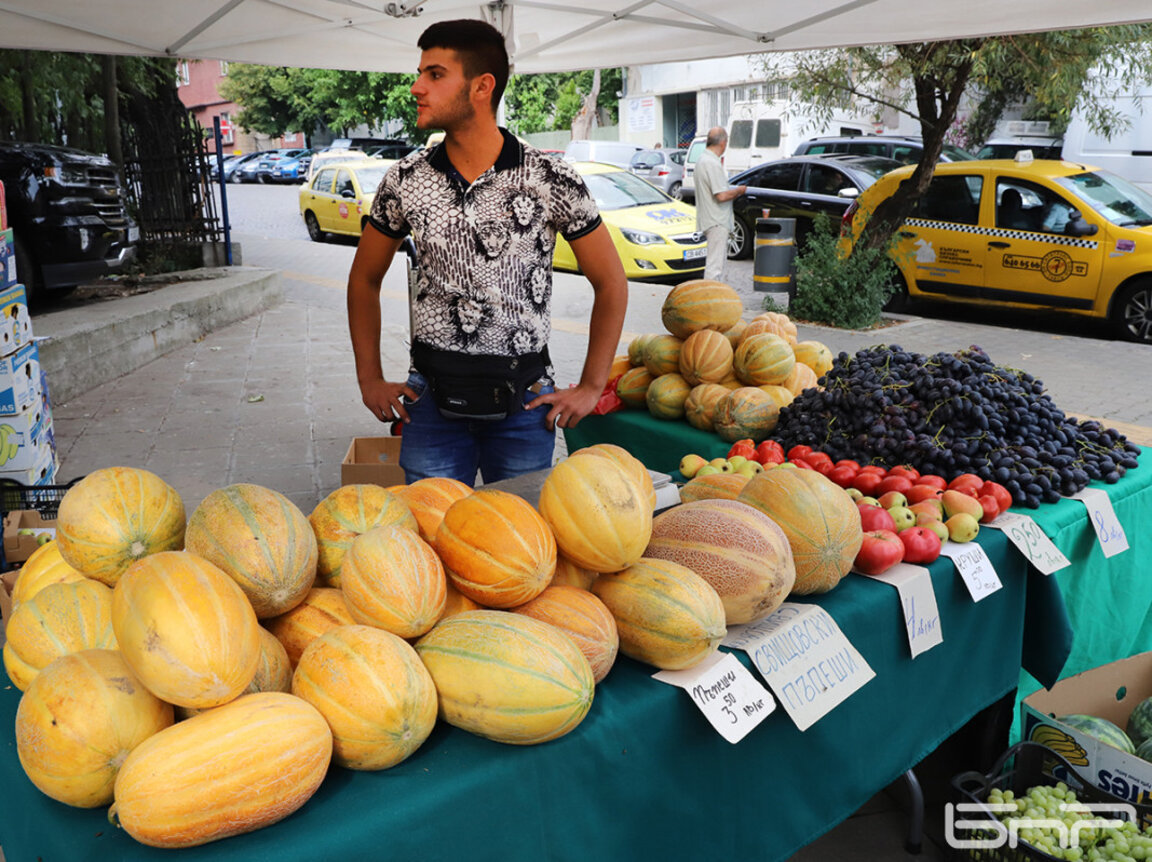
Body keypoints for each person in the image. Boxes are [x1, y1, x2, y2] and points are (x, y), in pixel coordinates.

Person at [346, 18, 628, 486]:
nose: (417, 87)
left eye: (435, 74)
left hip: (524, 403)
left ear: (482, 87)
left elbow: (610, 281)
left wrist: (592, 386)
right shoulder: (405, 179)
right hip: (432, 404)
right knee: (434, 541)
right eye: (420, 73)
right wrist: (369, 378)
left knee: (518, 548)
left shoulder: (550, 178)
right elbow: (364, 279)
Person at [694, 126, 746, 282]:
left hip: (710, 218)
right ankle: (710, 300)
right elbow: (721, 195)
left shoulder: (703, 160)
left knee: (716, 264)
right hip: (716, 220)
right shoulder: (711, 163)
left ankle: (714, 297)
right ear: (723, 143)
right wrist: (739, 191)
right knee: (715, 267)